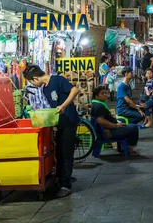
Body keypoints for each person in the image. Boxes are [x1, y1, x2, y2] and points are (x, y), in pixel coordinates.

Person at [24, 64, 80, 198]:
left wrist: (64, 106)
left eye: (31, 81)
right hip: (58, 124)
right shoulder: (44, 88)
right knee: (59, 153)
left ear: (35, 78)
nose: (32, 84)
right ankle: (62, 180)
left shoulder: (58, 80)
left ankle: (66, 185)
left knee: (66, 154)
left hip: (68, 122)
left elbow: (75, 91)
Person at [91, 85, 139, 156]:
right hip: (108, 133)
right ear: (96, 96)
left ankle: (124, 146)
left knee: (122, 120)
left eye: (105, 93)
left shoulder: (96, 104)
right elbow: (100, 121)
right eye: (102, 93)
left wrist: (117, 122)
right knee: (134, 127)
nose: (105, 95)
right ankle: (129, 148)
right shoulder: (99, 106)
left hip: (108, 129)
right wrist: (115, 125)